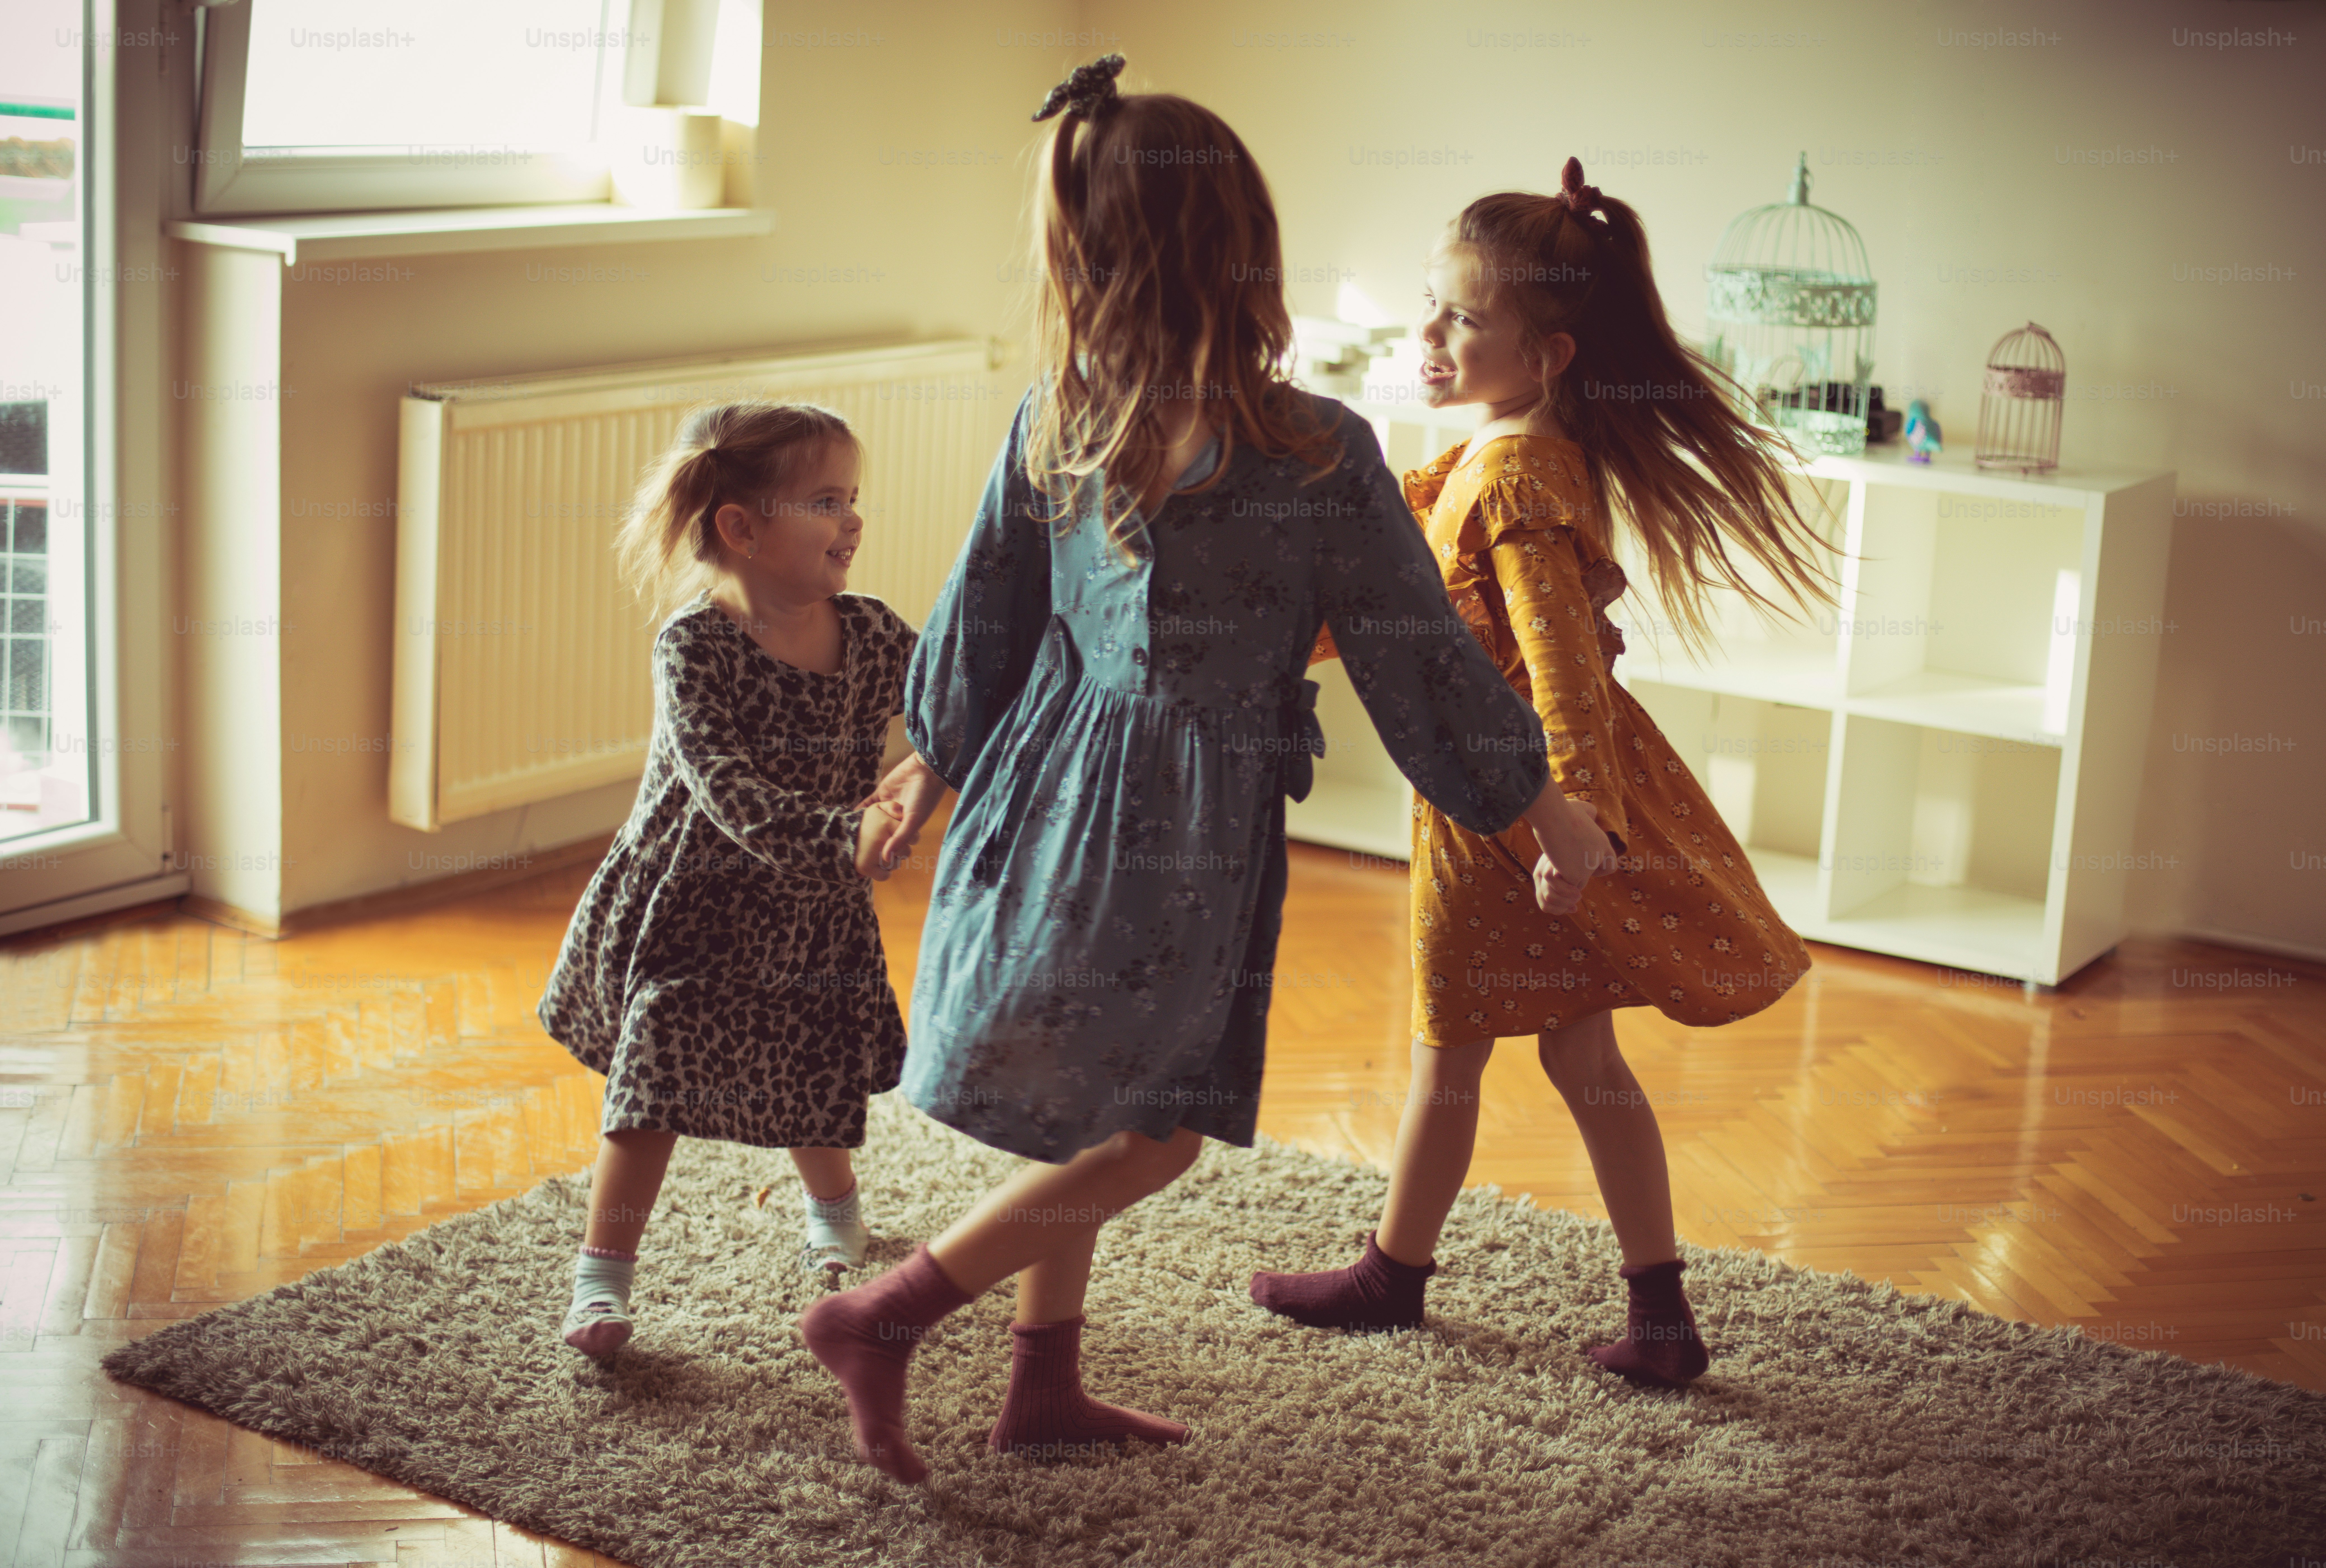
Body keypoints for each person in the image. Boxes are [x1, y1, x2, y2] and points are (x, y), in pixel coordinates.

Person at [800, 55, 1592, 1483]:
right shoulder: (1314, 449)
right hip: (1178, 826)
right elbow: (1420, 658)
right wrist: (1541, 804)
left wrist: (925, 765)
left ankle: (1044, 1384)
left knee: (1104, 1100)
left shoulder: (1064, 409)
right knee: (1156, 1128)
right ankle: (889, 1312)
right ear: (1244, 251)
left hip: (1052, 789)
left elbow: (984, 609)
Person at [1250, 159, 1830, 1387]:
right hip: (1530, 803)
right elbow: (1383, 603)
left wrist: (1572, 825)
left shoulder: (1512, 473)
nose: (1430, 334)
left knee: (1452, 1048)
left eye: (1464, 317)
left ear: (1549, 353)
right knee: (1582, 1058)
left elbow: (1561, 664)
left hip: (1499, 803)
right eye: (1433, 303)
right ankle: (1660, 1314)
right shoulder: (1503, 452)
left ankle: (1391, 1278)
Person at [536, 401, 923, 1358]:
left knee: (807, 1062)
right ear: (741, 529)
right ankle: (601, 1283)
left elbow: (950, 714)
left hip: (811, 910)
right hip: (695, 906)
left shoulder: (874, 635)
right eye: (827, 502)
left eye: (854, 499)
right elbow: (732, 795)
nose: (854, 521)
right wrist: (851, 835)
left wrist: (926, 790)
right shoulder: (695, 648)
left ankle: (835, 1209)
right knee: (651, 1086)